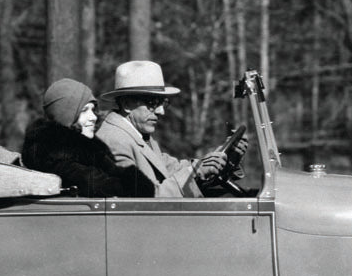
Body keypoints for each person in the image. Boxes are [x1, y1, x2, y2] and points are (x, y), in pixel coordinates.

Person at [96, 60, 247, 197]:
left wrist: (222, 158)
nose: (161, 111)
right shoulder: (113, 142)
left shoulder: (137, 135)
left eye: (163, 103)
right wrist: (195, 172)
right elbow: (143, 199)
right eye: (152, 103)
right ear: (127, 104)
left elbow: (171, 168)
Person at [22, 78, 155, 197]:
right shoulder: (54, 157)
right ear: (67, 116)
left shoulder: (87, 152)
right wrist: (136, 183)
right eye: (84, 110)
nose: (93, 117)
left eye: (93, 110)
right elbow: (100, 185)